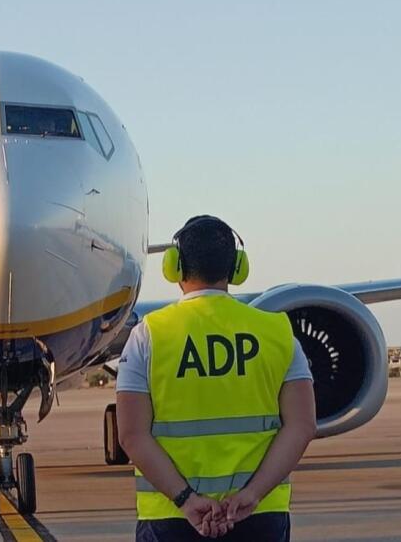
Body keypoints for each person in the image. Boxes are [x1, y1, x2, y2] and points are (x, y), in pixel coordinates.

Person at [117, 215, 316, 541]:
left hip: (171, 517)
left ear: (174, 267)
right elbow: (302, 425)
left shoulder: (148, 336)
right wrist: (252, 494)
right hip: (258, 515)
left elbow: (131, 435)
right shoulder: (278, 333)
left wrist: (186, 499)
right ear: (238, 267)